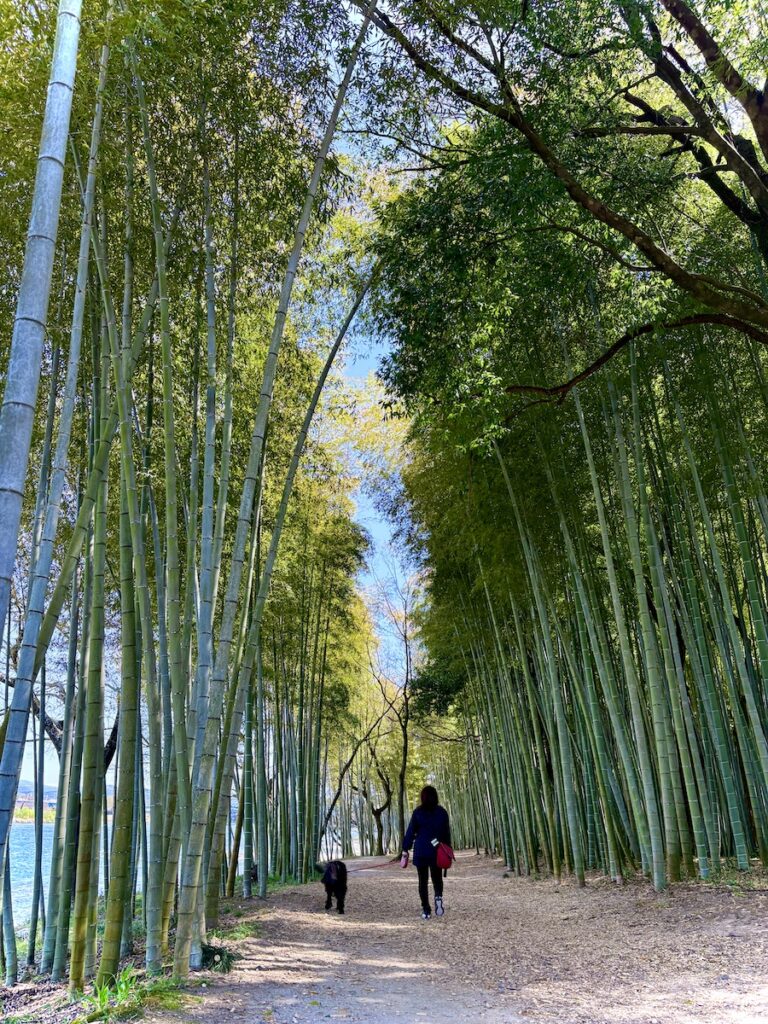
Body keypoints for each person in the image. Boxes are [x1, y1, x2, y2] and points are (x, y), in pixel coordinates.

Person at [401, 784, 451, 920]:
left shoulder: (418, 812)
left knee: (422, 881)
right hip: (437, 850)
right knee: (437, 878)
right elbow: (446, 833)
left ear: (423, 797)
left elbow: (411, 831)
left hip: (421, 850)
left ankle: (426, 910)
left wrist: (405, 848)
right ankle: (438, 897)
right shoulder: (442, 812)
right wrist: (448, 849)